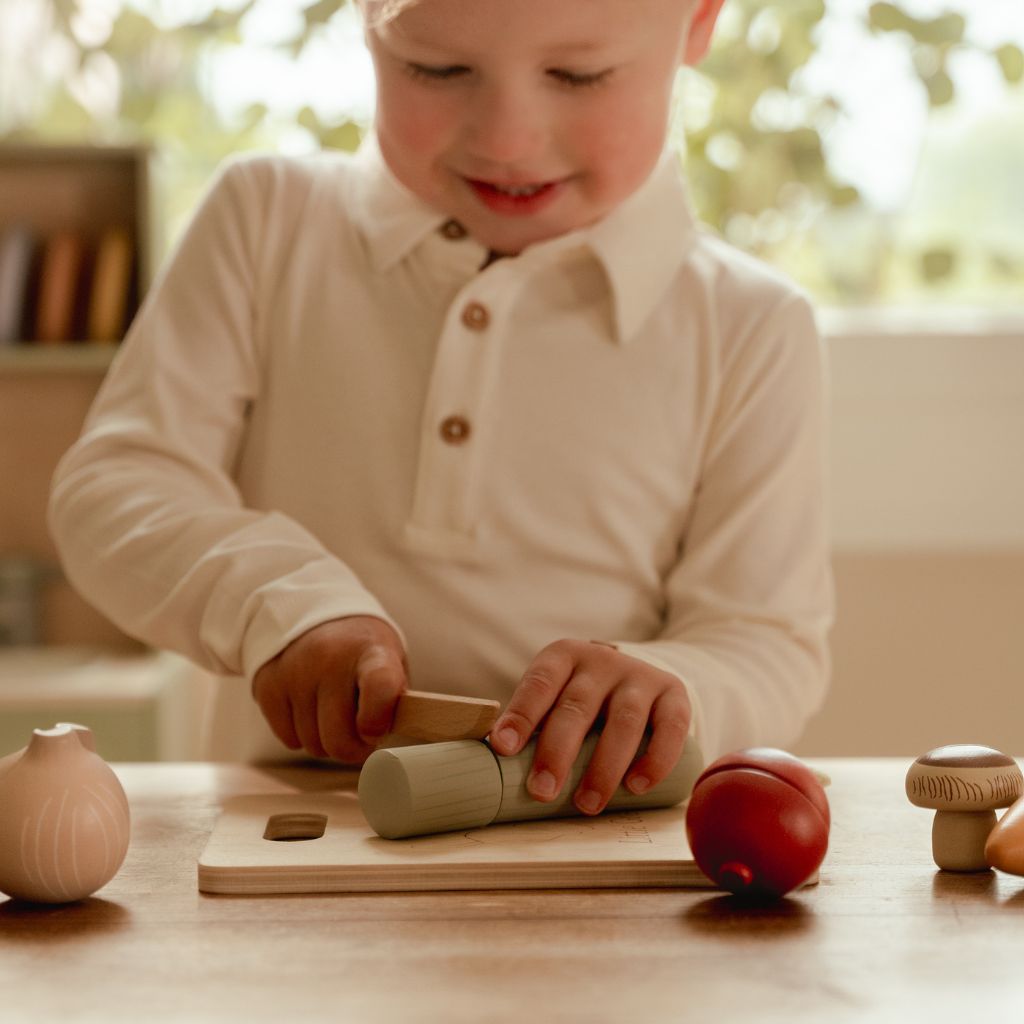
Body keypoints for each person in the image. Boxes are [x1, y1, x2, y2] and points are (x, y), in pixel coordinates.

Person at [49, 0, 833, 818]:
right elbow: (114, 487)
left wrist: (666, 695)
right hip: (293, 844)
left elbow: (765, 645)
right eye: (437, 69)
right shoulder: (266, 221)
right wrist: (277, 604)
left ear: (699, 23)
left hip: (586, 852)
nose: (507, 139)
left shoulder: (751, 324)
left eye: (578, 74)